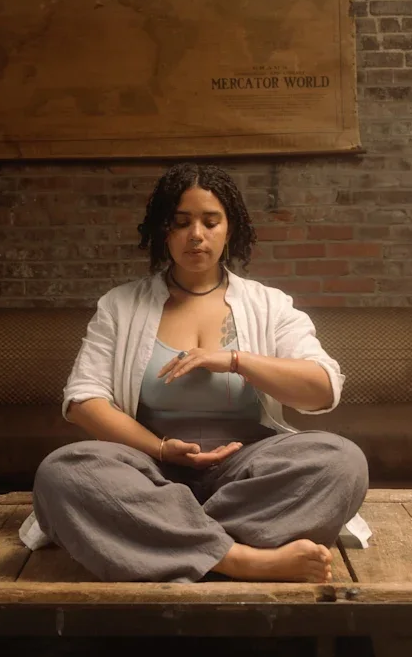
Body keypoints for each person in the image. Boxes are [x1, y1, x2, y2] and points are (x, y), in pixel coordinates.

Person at [32, 162, 368, 584]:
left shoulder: (270, 303)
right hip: (148, 471)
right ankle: (240, 559)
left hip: (247, 469)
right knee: (63, 472)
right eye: (181, 222)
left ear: (230, 230)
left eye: (211, 222)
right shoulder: (120, 305)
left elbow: (321, 389)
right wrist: (160, 448)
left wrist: (233, 360)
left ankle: (155, 538)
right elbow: (83, 401)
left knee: (342, 462)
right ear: (163, 231)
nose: (196, 235)